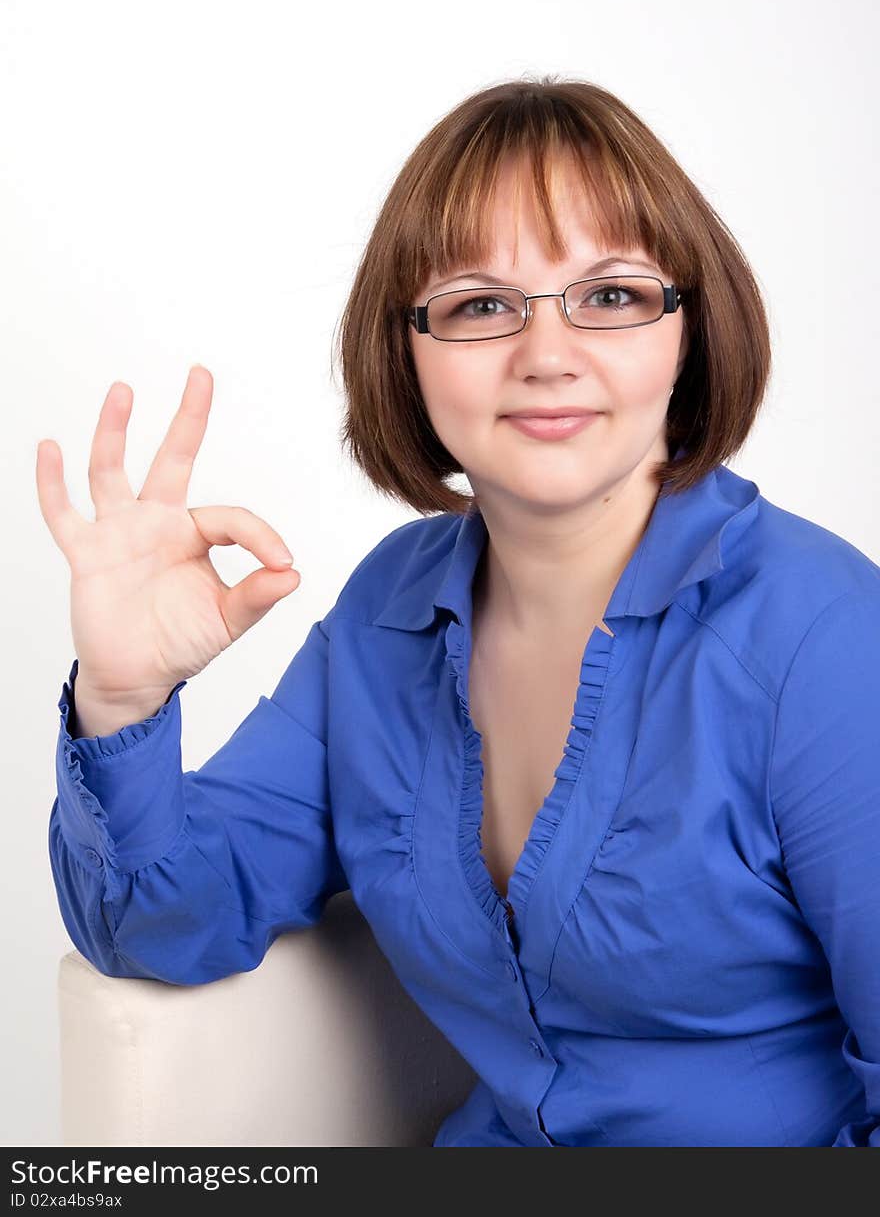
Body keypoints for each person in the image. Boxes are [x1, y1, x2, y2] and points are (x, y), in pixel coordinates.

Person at [39, 77, 880, 1147]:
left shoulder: (824, 640)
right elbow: (164, 925)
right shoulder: (385, 616)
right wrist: (123, 696)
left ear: (688, 327)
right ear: (408, 349)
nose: (545, 354)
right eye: (481, 304)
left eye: (610, 294)